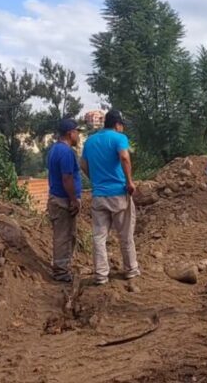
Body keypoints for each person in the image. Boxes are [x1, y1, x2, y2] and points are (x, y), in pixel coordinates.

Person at [80, 109, 140, 285]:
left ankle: (100, 274)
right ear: (117, 124)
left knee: (99, 236)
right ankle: (130, 269)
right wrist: (129, 182)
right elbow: (124, 157)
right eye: (122, 125)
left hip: (99, 195)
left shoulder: (90, 141)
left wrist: (95, 180)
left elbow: (83, 164)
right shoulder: (119, 138)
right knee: (125, 233)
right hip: (118, 194)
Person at [46, 118, 83, 282]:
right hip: (62, 201)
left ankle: (64, 267)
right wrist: (74, 200)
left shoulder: (54, 149)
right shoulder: (66, 152)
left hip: (56, 198)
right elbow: (67, 178)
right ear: (70, 133)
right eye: (77, 132)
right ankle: (61, 272)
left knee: (67, 235)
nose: (78, 136)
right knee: (63, 237)